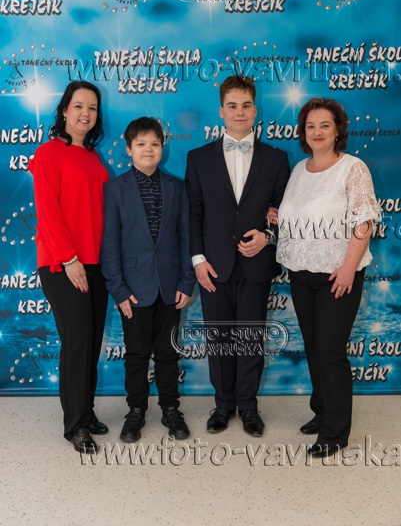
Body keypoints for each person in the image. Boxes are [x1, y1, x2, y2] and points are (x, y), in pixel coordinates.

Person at [185, 75, 290, 436]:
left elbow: (287, 213)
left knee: (250, 337)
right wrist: (197, 260)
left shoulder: (277, 159)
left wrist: (267, 237)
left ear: (255, 110)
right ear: (221, 111)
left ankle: (248, 405)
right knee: (218, 338)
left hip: (256, 263)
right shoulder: (198, 158)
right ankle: (223, 405)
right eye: (232, 105)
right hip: (214, 265)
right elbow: (194, 213)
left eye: (246, 105)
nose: (239, 112)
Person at [276, 97, 381, 457]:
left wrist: (349, 267)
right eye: (311, 126)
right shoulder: (299, 169)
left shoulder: (353, 168)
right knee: (313, 347)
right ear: (303, 132)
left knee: (331, 352)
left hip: (338, 274)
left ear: (338, 131)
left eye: (325, 125)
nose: (317, 132)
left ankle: (335, 433)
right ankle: (321, 412)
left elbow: (364, 220)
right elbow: (295, 215)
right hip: (301, 274)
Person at [100, 117, 195, 443]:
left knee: (168, 352)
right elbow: (109, 244)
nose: (148, 149)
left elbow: (185, 238)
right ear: (129, 149)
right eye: (141, 144)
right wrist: (118, 289)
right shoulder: (115, 189)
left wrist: (186, 281)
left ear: (162, 147)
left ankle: (170, 408)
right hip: (133, 289)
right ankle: (136, 410)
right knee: (137, 354)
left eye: (154, 143)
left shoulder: (177, 188)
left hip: (171, 287)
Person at [29, 81, 110, 454]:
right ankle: (75, 425)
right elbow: (48, 211)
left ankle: (86, 412)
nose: (85, 113)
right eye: (78, 106)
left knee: (90, 342)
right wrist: (69, 259)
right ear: (64, 110)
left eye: (92, 108)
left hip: (95, 262)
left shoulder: (93, 157)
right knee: (77, 342)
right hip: (62, 264)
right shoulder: (48, 153)